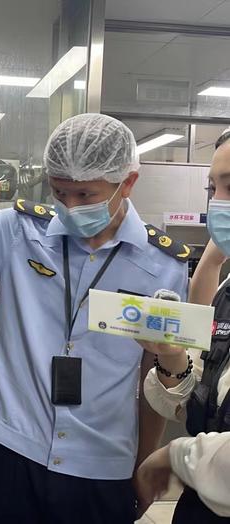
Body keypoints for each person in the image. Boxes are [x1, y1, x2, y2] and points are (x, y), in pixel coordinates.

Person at [0, 113, 191, 523]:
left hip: (100, 464)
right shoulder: (21, 231)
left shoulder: (164, 266)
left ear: (128, 183)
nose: (69, 207)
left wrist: (142, 464)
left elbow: (150, 378)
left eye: (85, 195)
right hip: (13, 450)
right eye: (59, 192)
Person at [135, 129, 230, 522]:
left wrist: (176, 456)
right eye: (214, 187)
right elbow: (197, 398)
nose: (220, 203)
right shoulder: (227, 292)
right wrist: (172, 357)